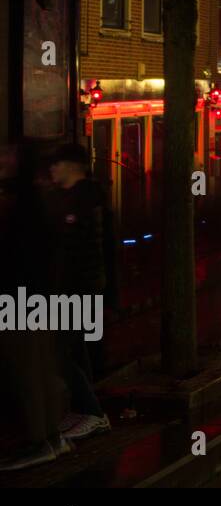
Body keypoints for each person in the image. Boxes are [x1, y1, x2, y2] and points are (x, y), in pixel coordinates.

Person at [0, 141, 70, 471]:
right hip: (40, 295)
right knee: (42, 365)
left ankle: (36, 440)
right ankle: (52, 435)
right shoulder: (45, 198)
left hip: (20, 296)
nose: (3, 159)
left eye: (7, 154)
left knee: (26, 369)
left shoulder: (21, 202)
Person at [47, 143, 112, 443]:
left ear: (72, 166)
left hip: (77, 289)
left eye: (57, 164)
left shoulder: (82, 201)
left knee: (60, 350)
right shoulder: (80, 197)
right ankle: (85, 408)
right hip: (79, 287)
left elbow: (74, 251)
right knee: (75, 348)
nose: (52, 170)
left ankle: (93, 412)